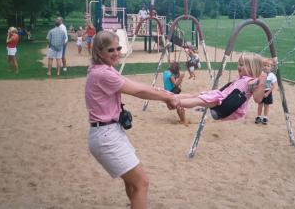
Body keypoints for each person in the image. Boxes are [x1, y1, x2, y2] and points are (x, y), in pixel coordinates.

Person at [86, 31, 178, 209]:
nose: (116, 52)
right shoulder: (103, 74)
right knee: (141, 183)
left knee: (132, 183)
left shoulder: (104, 69)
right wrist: (167, 97)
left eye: (118, 48)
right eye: (110, 50)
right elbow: (137, 92)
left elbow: (136, 85)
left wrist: (165, 94)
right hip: (106, 136)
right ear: (99, 52)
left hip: (110, 132)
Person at [177, 52, 266, 121]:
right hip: (221, 97)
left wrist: (262, 79)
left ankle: (175, 102)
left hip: (226, 104)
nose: (238, 66)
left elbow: (257, 99)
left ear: (251, 67)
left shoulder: (251, 81)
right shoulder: (242, 78)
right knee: (196, 94)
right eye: (239, 64)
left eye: (242, 65)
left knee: (199, 100)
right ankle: (173, 97)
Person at [255, 58, 277, 125]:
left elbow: (273, 86)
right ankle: (258, 116)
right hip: (260, 91)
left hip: (267, 92)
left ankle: (265, 117)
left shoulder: (272, 76)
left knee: (266, 105)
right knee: (260, 105)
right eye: (264, 65)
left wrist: (267, 93)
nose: (266, 67)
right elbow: (257, 82)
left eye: (268, 66)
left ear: (271, 68)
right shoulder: (260, 74)